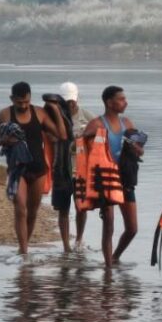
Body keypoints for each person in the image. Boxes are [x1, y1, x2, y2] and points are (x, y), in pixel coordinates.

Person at [0, 81, 67, 255]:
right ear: (12, 99)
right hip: (17, 170)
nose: (23, 106)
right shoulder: (4, 115)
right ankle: (23, 252)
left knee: (32, 212)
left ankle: (25, 245)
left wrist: (55, 111)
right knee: (20, 209)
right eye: (19, 102)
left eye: (26, 102)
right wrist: (3, 141)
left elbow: (61, 135)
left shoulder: (39, 113)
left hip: (38, 169)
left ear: (30, 98)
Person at [80, 86, 143, 268]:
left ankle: (115, 257)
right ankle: (108, 269)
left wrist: (137, 149)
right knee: (109, 226)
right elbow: (81, 147)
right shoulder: (97, 124)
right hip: (106, 180)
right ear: (109, 102)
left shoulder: (127, 123)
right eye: (121, 99)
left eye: (125, 99)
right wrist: (89, 137)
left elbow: (139, 149)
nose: (126, 102)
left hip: (125, 178)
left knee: (132, 228)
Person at [49, 82, 97, 253]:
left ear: (77, 98)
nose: (70, 104)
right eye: (66, 101)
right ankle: (66, 246)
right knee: (63, 209)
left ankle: (78, 239)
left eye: (72, 101)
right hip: (61, 169)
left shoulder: (88, 117)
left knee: (81, 207)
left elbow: (99, 141)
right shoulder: (53, 118)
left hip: (82, 170)